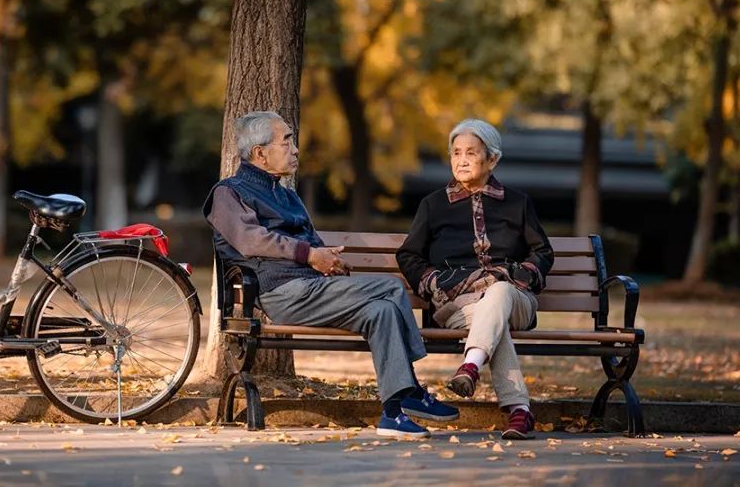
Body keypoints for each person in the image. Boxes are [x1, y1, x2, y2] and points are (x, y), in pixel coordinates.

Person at [204, 111, 457, 440]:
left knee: (380, 311)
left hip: (312, 288)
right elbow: (252, 240)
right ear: (260, 153)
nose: (295, 149)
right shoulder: (228, 193)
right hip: (281, 293)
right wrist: (309, 255)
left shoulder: (287, 195)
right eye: (287, 141)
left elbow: (311, 240)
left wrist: (327, 260)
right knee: (392, 289)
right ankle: (412, 390)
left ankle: (392, 414)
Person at [396, 118, 553, 440]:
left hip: (515, 302)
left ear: (492, 159)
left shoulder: (518, 203)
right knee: (492, 320)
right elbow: (408, 255)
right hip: (458, 306)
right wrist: (433, 282)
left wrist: (520, 274)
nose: (462, 159)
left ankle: (470, 367)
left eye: (471, 152)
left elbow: (542, 252)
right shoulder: (433, 205)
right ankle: (519, 411)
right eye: (456, 153)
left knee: (498, 293)